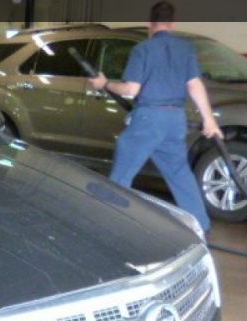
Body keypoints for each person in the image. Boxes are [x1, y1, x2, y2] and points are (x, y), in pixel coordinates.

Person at [88, 1, 222, 232]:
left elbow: (131, 89)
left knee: (122, 173)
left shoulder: (143, 49)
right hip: (175, 120)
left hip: (149, 119)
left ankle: (107, 227)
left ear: (149, 23)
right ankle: (202, 226)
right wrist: (209, 119)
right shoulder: (185, 48)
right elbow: (195, 85)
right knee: (180, 174)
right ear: (172, 23)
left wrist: (105, 83)